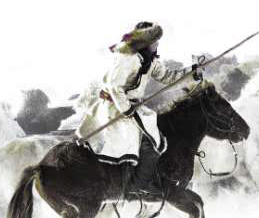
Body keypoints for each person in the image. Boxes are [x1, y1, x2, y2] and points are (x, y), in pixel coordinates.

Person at [76, 22, 198, 196]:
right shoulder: (127, 58)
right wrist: (125, 109)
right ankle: (134, 186)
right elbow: (114, 86)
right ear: (145, 40)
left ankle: (141, 182)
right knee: (144, 143)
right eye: (155, 41)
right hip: (114, 108)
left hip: (133, 108)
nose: (157, 44)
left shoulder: (151, 60)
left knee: (155, 140)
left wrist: (193, 73)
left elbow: (168, 77)